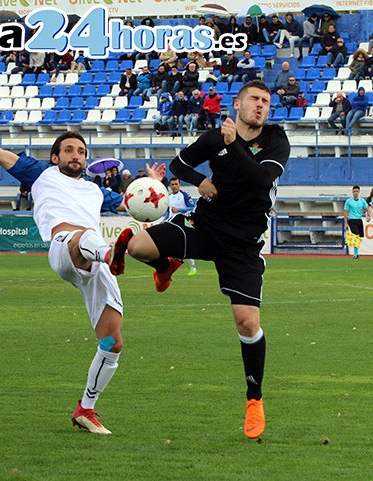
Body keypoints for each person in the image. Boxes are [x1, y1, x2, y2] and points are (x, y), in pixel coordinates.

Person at [0, 99, 165, 435]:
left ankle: (86, 409)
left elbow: (137, 205)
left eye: (81, 151)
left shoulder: (96, 190)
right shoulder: (39, 173)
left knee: (113, 343)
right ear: (56, 157)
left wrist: (150, 187)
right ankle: (120, 257)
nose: (76, 155)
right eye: (69, 150)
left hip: (95, 263)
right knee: (85, 235)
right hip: (65, 248)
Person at [111, 80, 290, 440]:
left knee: (246, 323)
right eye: (254, 100)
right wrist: (199, 181)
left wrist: (233, 145)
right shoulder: (214, 137)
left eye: (266, 102)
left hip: (242, 244)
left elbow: (260, 180)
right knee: (139, 247)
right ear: (237, 105)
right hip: (205, 226)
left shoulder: (274, 139)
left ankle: (254, 398)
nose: (260, 106)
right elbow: (178, 164)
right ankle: (166, 266)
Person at [166, 177, 198, 275]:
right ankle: (169, 268)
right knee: (168, 245)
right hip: (171, 223)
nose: (174, 186)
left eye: (176, 184)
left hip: (183, 222)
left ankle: (193, 268)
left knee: (185, 245)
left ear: (179, 185)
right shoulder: (168, 197)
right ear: (170, 186)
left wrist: (179, 210)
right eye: (172, 184)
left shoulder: (184, 195)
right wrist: (164, 221)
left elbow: (192, 207)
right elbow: (168, 212)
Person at [344, 185, 371, 259]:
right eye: (354, 191)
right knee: (355, 235)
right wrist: (346, 222)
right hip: (352, 219)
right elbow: (346, 212)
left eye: (357, 191)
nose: (355, 193)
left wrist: (369, 215)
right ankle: (355, 254)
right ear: (352, 192)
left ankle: (356, 253)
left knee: (359, 237)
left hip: (359, 219)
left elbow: (367, 208)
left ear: (359, 192)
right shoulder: (349, 201)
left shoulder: (362, 201)